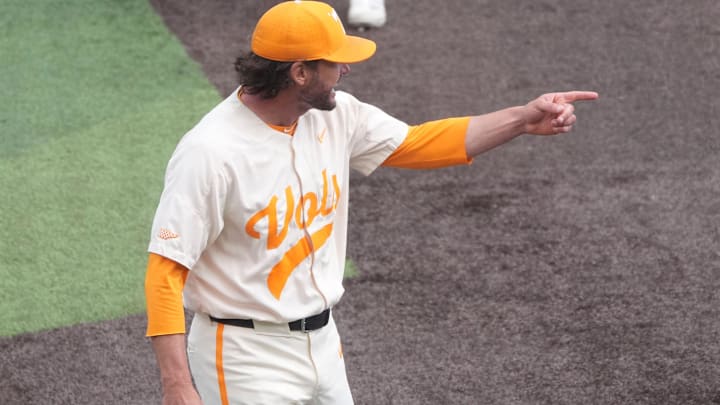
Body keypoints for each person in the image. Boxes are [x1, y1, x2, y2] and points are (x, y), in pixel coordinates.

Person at [144, 1, 598, 404]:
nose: (346, 70)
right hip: (244, 356)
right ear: (299, 72)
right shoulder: (210, 151)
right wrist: (177, 385)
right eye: (334, 63)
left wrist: (521, 118)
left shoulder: (339, 116)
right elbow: (166, 270)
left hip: (323, 343)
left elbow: (418, 143)